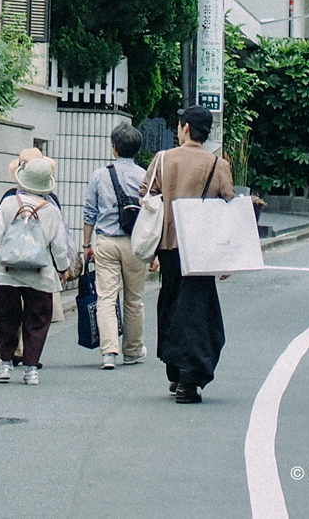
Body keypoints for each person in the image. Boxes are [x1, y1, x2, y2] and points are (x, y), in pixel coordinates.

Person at [141, 105, 235, 404]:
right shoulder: (218, 165)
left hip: (169, 246)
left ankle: (175, 372)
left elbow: (145, 195)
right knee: (198, 313)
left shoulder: (163, 160)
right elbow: (228, 205)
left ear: (183, 128)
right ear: (206, 133)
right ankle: (189, 380)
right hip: (203, 250)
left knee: (170, 303)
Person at [0, 155, 78, 386]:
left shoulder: (9, 203)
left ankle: (5, 363)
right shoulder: (51, 210)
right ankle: (31, 368)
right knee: (38, 319)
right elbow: (59, 246)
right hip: (40, 275)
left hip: (7, 271)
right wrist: (63, 269)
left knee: (6, 317)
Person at [82, 123, 149, 370]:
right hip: (136, 244)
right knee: (134, 299)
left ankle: (109, 352)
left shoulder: (100, 175)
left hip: (106, 242)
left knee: (107, 298)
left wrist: (86, 245)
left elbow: (90, 211)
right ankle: (132, 351)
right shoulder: (145, 176)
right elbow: (154, 212)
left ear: (114, 149)